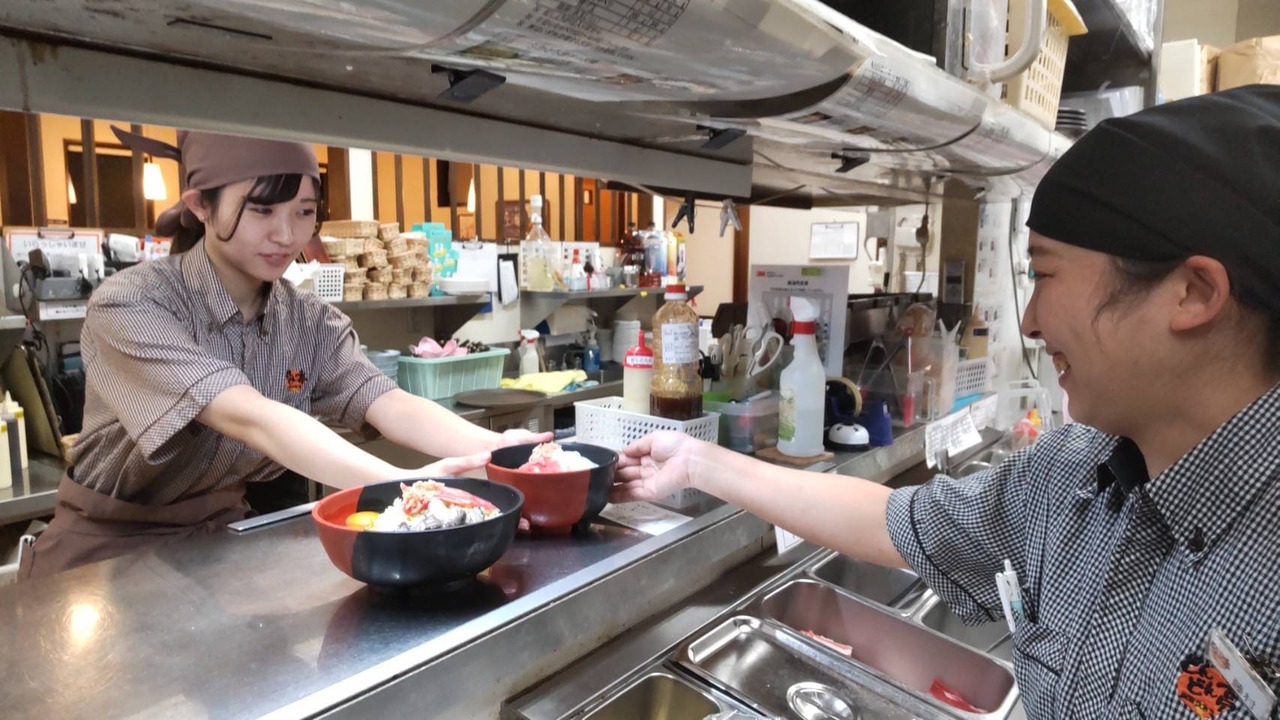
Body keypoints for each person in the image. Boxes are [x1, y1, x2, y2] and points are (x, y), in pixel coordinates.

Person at [613, 85, 1280, 718]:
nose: (1032, 321)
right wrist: (698, 462)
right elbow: (895, 520)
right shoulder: (1076, 479)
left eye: (1045, 275)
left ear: (1193, 293)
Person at [19, 128, 546, 580]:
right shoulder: (133, 303)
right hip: (104, 554)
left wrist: (501, 450)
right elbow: (254, 419)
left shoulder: (308, 320)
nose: (286, 234)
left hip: (222, 546)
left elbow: (388, 402)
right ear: (201, 205)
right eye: (262, 210)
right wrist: (410, 493)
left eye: (304, 212)